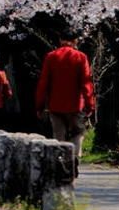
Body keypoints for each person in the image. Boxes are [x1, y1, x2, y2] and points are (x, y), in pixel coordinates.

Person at [35, 26, 95, 175]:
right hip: (75, 104)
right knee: (77, 132)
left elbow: (43, 83)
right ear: (75, 41)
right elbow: (86, 83)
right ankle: (75, 156)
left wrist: (40, 106)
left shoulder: (51, 56)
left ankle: (61, 163)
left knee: (59, 137)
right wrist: (90, 104)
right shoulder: (81, 57)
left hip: (55, 105)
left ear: (60, 40)